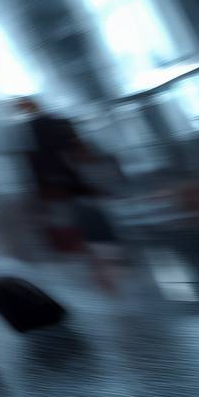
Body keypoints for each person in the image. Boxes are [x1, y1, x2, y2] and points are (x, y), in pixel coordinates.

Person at [18, 98, 123, 293]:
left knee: (83, 225)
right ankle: (103, 269)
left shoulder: (38, 128)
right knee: (86, 225)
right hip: (67, 183)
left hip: (61, 184)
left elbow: (37, 160)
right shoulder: (52, 125)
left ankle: (102, 269)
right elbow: (76, 149)